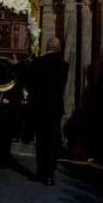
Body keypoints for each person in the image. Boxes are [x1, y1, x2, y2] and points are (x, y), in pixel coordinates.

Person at [26, 37, 68, 186]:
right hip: (55, 108)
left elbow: (30, 82)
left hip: (39, 107)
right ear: (58, 48)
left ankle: (41, 172)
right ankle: (50, 174)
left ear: (47, 46)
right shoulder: (63, 65)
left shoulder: (38, 63)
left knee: (41, 140)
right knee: (52, 140)